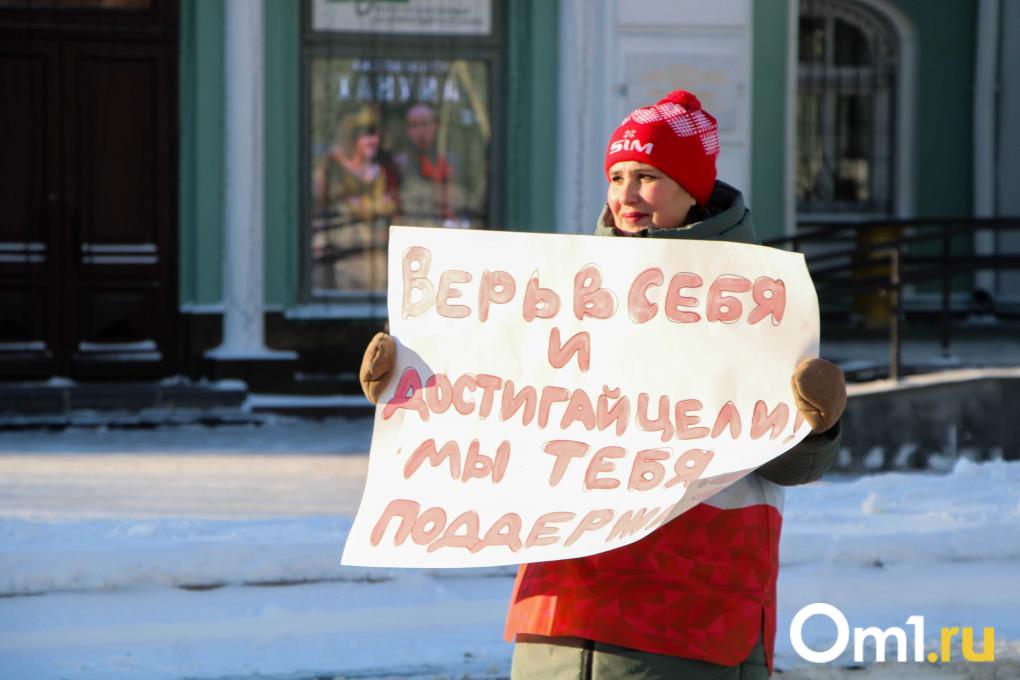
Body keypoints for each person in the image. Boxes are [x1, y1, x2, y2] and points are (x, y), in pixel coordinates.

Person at [358, 90, 847, 680]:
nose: (626, 194)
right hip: (560, 617)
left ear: (693, 186)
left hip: (690, 619)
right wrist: (409, 384)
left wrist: (819, 419)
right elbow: (494, 410)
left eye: (647, 175)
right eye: (616, 176)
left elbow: (794, 466)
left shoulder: (758, 299)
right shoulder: (560, 294)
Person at [312, 107, 399, 292]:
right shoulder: (332, 168)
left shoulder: (383, 170)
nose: (372, 141)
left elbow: (392, 204)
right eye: (366, 135)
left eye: (375, 135)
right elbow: (326, 205)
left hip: (375, 253)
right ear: (352, 138)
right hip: (342, 250)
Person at [393, 103, 471, 228]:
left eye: (425, 124)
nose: (420, 131)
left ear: (435, 125)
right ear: (407, 130)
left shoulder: (450, 161)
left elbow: (462, 200)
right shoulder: (399, 164)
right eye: (414, 126)